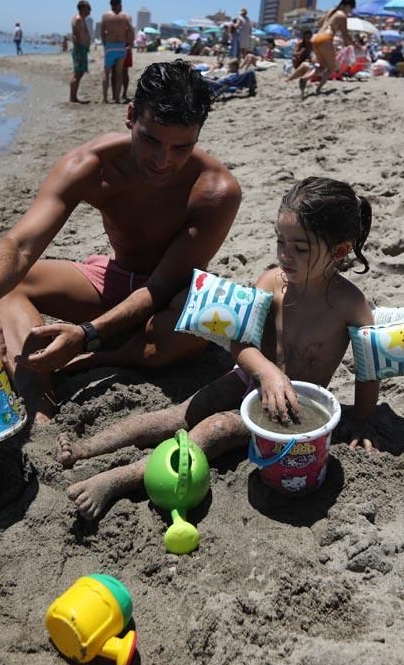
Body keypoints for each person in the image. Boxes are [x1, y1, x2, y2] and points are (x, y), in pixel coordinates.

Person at [0, 61, 242, 425]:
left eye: (181, 147)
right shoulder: (91, 165)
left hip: (170, 303)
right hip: (114, 282)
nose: (163, 161)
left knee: (203, 320)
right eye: (151, 140)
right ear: (130, 116)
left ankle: (99, 358)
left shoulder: (215, 191)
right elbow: (20, 245)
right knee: (6, 283)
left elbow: (162, 287)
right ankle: (38, 398)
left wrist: (87, 337)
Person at [60, 176, 379, 520]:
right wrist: (266, 372)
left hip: (289, 407)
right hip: (249, 376)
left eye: (300, 248)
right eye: (280, 241)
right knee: (179, 414)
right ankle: (86, 448)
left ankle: (118, 479)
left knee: (218, 429)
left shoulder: (351, 305)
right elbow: (240, 343)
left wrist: (362, 420)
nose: (285, 254)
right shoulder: (271, 282)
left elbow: (368, 369)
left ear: (339, 251)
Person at [310, 0, 357, 95]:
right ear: (348, 6)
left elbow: (319, 23)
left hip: (316, 38)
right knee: (332, 68)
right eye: (351, 9)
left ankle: (305, 77)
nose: (350, 12)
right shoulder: (342, 16)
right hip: (325, 39)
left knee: (322, 67)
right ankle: (318, 89)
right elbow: (345, 36)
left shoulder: (331, 11)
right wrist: (356, 45)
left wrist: (334, 26)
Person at [101, 0, 133, 103]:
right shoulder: (125, 16)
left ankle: (105, 98)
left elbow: (102, 32)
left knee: (106, 73)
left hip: (110, 46)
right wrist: (130, 44)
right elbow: (131, 31)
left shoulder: (105, 16)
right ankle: (118, 99)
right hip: (121, 46)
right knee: (119, 74)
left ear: (110, 4)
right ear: (120, 4)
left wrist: (105, 44)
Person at [70, 1, 92, 103]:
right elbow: (75, 36)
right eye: (88, 8)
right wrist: (79, 52)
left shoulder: (82, 19)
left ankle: (74, 97)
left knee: (80, 73)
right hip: (79, 49)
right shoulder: (78, 19)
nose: (90, 10)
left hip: (82, 49)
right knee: (77, 73)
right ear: (82, 8)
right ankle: (72, 97)